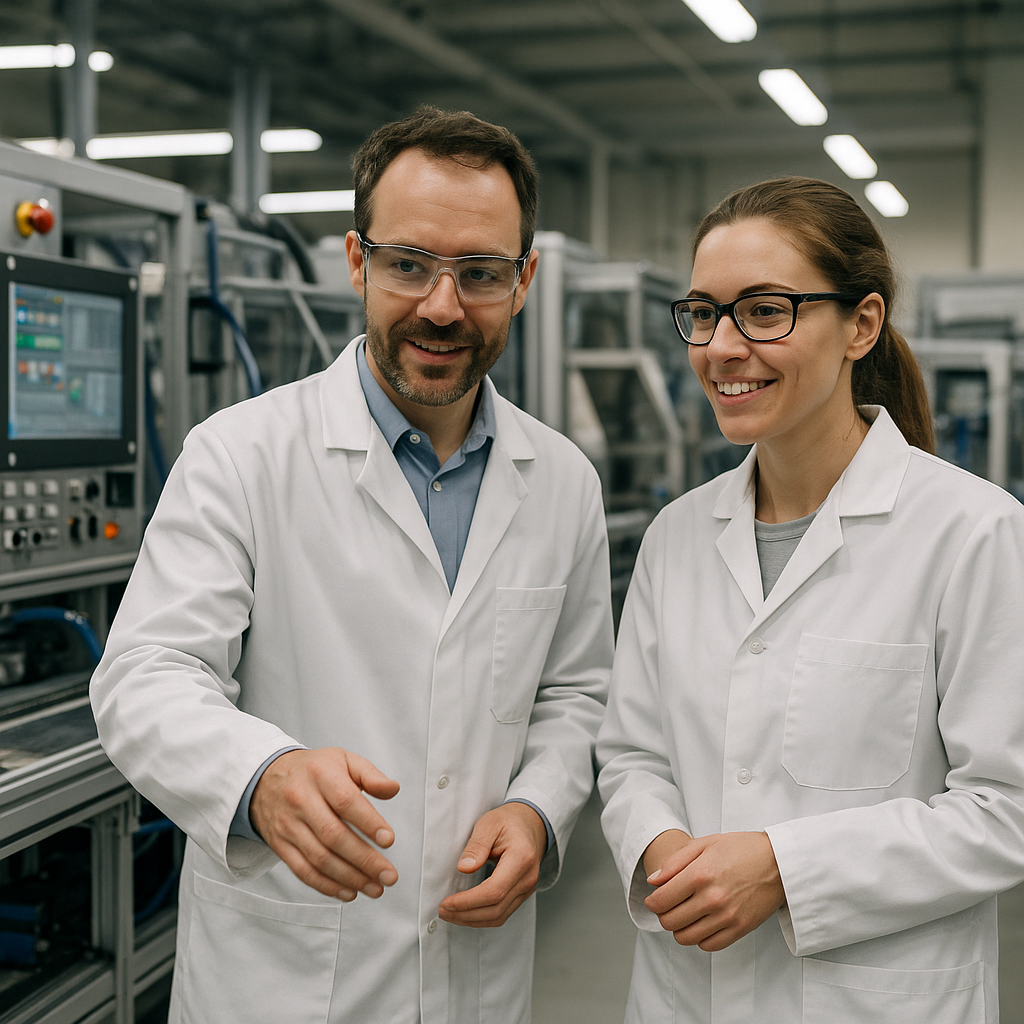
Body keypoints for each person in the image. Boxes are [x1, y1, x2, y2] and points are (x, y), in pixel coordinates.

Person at [91, 106, 613, 1024]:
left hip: (476, 971)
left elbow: (575, 695)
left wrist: (536, 809)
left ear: (523, 281)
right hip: (283, 973)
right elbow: (145, 674)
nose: (442, 307)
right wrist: (261, 775)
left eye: (481, 274)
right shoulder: (242, 454)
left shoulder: (562, 480)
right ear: (356, 261)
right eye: (409, 264)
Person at [596, 176, 1024, 1023]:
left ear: (860, 325)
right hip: (687, 993)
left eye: (764, 311)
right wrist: (662, 848)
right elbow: (633, 755)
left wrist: (782, 869)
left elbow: (1005, 809)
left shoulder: (972, 532)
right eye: (704, 313)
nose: (721, 345)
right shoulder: (677, 537)